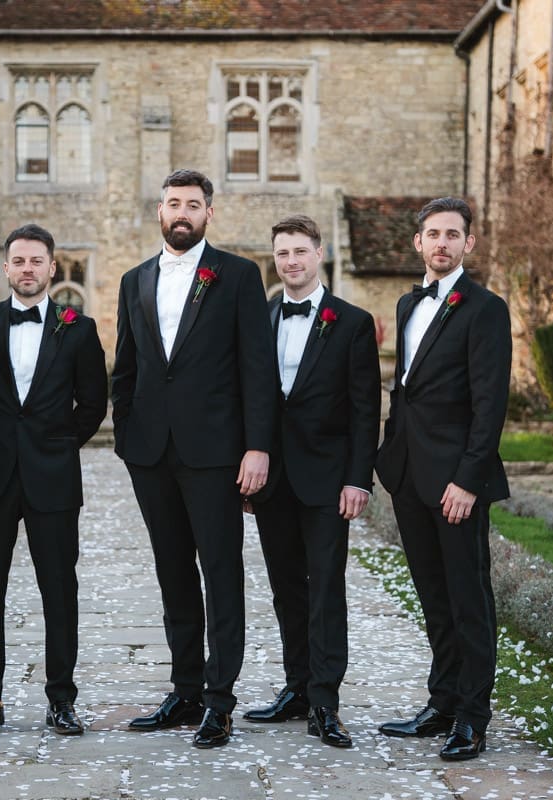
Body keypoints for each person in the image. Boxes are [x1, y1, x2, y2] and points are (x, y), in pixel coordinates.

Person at [111, 169, 277, 749]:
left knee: (221, 574)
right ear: (160, 211)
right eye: (174, 203)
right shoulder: (135, 280)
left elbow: (258, 368)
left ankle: (219, 700)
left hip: (215, 454)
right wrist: (128, 438)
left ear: (210, 213)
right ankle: (183, 691)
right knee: (172, 571)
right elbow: (125, 369)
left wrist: (258, 447)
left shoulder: (237, 276)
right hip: (151, 453)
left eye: (194, 205)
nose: (183, 213)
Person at [0, 224, 107, 737]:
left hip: (53, 477)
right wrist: (0, 438)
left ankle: (61, 699)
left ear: (52, 267)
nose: (27, 269)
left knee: (59, 589)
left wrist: (57, 444)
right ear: (6, 268)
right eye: (18, 261)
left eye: (36, 261)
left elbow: (94, 403)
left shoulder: (78, 329)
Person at [374, 197, 510, 761]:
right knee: (433, 597)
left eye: (453, 235)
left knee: (467, 599)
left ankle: (473, 720)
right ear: (418, 243)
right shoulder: (409, 304)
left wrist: (469, 479)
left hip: (456, 482)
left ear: (468, 244)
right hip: (409, 475)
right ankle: (442, 702)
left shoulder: (485, 308)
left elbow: (490, 402)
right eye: (433, 234)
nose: (442, 244)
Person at [243, 215, 381, 748]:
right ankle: (297, 687)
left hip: (328, 482)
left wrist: (358, 480)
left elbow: (366, 410)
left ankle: (326, 701)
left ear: (319, 253)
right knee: (284, 591)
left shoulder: (351, 321)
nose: (291, 261)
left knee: (325, 590)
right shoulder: (262, 315)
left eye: (300, 251)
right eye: (282, 253)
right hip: (273, 481)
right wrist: (251, 476)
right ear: (274, 258)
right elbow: (251, 400)